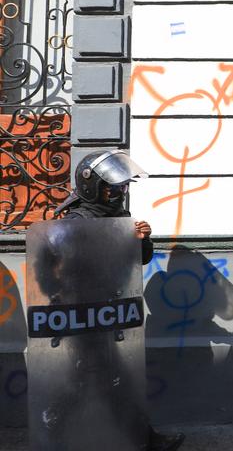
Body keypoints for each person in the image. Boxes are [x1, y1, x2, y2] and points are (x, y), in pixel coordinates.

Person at [54, 150, 185, 451]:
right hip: (82, 312)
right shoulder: (77, 220)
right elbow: (56, 269)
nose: (119, 192)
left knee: (89, 379)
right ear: (92, 186)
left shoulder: (119, 216)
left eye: (123, 187)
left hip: (109, 310)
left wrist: (143, 240)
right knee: (109, 379)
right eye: (112, 187)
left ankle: (56, 428)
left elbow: (138, 260)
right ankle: (144, 439)